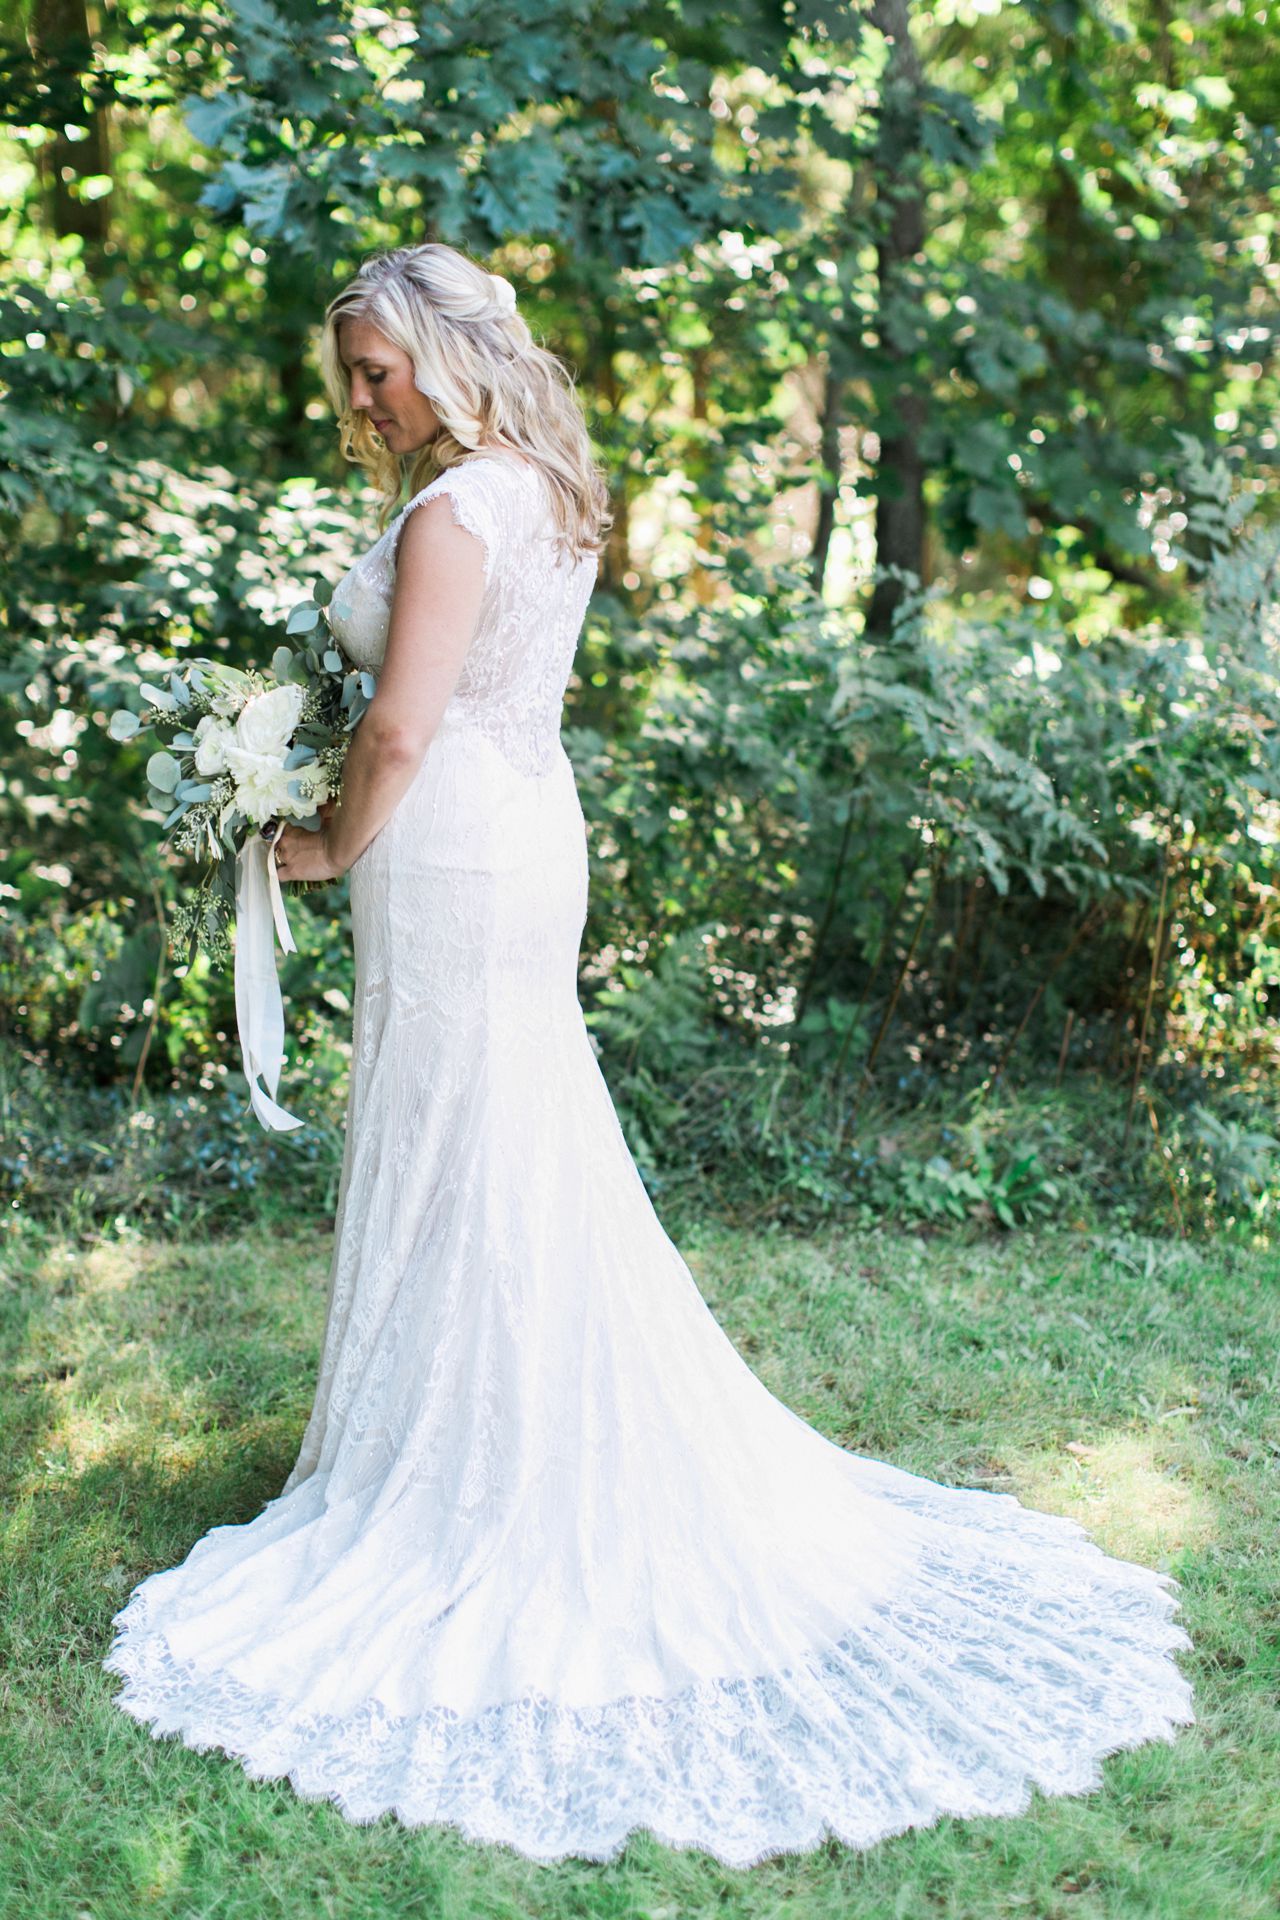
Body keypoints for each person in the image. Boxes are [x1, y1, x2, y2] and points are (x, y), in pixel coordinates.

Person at [103, 242, 1195, 1869]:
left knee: (461, 1134)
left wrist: (322, 836)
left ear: (449, 352)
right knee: (502, 1133)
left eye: (377, 372)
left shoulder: (458, 509)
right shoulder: (542, 488)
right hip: (523, 823)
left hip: (451, 839)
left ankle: (471, 1472)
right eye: (351, 378)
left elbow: (400, 725)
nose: (361, 401)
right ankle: (474, 1424)